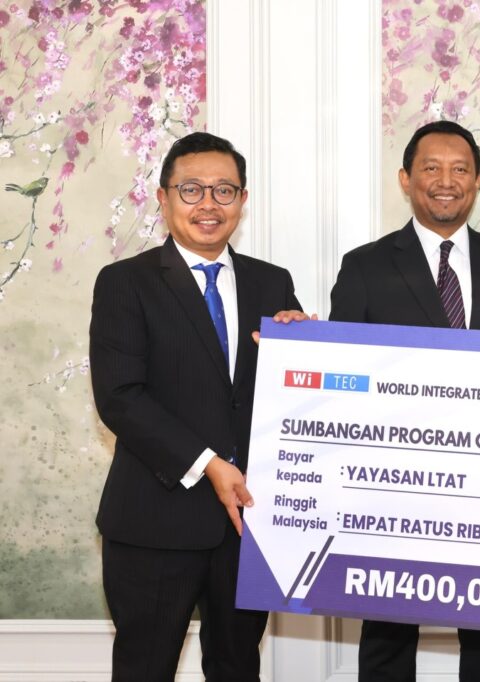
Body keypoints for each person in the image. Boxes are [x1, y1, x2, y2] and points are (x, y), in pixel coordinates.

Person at [329, 120, 480, 681]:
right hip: (393, 484)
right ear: (406, 179)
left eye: (460, 170)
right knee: (387, 632)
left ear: (477, 181)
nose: (446, 181)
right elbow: (339, 377)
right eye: (431, 168)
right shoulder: (365, 267)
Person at [90, 132, 307, 680]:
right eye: (192, 190)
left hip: (247, 525)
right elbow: (120, 397)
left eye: (224, 190)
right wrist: (208, 464)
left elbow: (298, 395)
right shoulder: (125, 283)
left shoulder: (272, 283)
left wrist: (308, 345)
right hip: (154, 522)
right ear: (163, 198)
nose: (209, 204)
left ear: (242, 200)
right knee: (145, 669)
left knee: (237, 668)